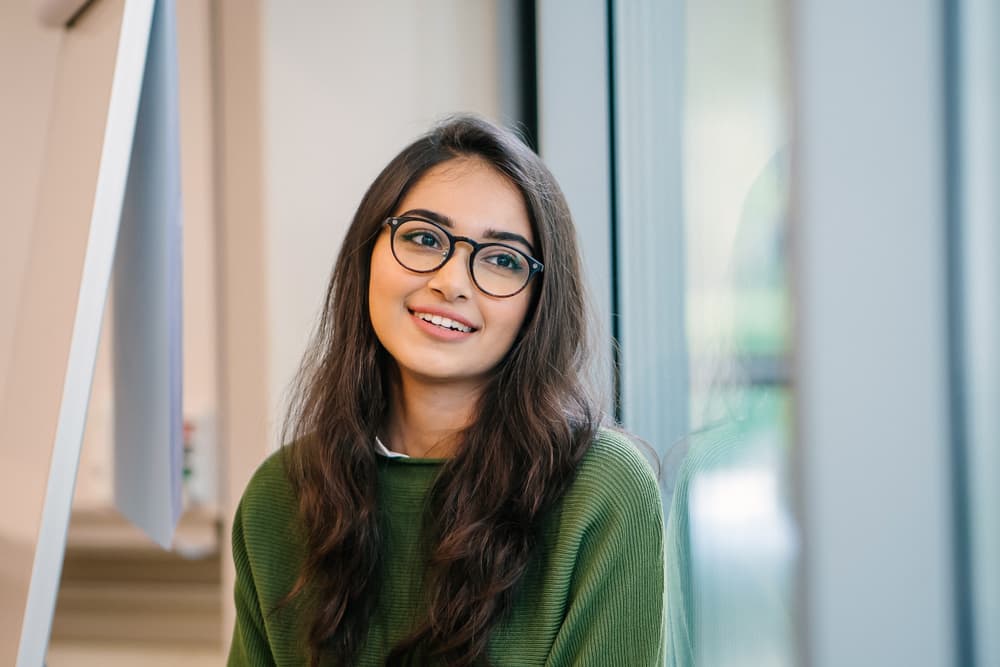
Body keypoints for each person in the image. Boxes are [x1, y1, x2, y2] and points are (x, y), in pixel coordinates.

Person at [228, 115, 665, 667]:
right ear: (368, 254)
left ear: (539, 304)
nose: (451, 282)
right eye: (423, 237)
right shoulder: (279, 496)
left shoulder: (602, 491)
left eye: (502, 260)